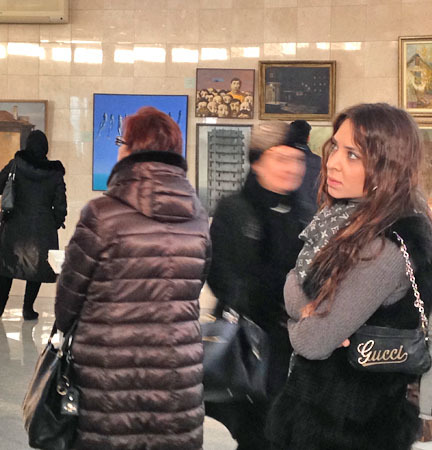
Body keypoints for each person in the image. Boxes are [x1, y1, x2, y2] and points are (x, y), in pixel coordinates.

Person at [267, 103, 432, 450]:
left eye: (353, 155)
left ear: (388, 166)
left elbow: (311, 342)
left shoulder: (384, 246)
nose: (332, 162)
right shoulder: (345, 221)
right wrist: (306, 308)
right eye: (335, 148)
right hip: (325, 419)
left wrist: (300, 319)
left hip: (349, 430)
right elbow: (295, 285)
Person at [54, 106, 211, 449]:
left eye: (122, 141)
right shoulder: (198, 216)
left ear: (131, 149)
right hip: (176, 365)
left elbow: (70, 295)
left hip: (109, 366)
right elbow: (195, 283)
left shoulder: (101, 214)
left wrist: (63, 330)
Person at [205, 121, 311, 449]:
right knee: (257, 436)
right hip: (249, 349)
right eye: (281, 158)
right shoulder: (234, 210)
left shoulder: (306, 215)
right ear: (258, 162)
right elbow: (221, 276)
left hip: (295, 350)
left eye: (298, 160)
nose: (291, 168)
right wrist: (281, 300)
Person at [0, 130, 66, 320]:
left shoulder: (16, 164)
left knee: (7, 264)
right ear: (46, 148)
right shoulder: (55, 173)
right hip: (42, 227)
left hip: (14, 223)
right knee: (36, 268)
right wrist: (54, 223)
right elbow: (61, 204)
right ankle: (28, 309)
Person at [288, 119, 322, 215]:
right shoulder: (318, 162)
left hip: (283, 211)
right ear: (308, 138)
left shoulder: (280, 158)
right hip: (310, 212)